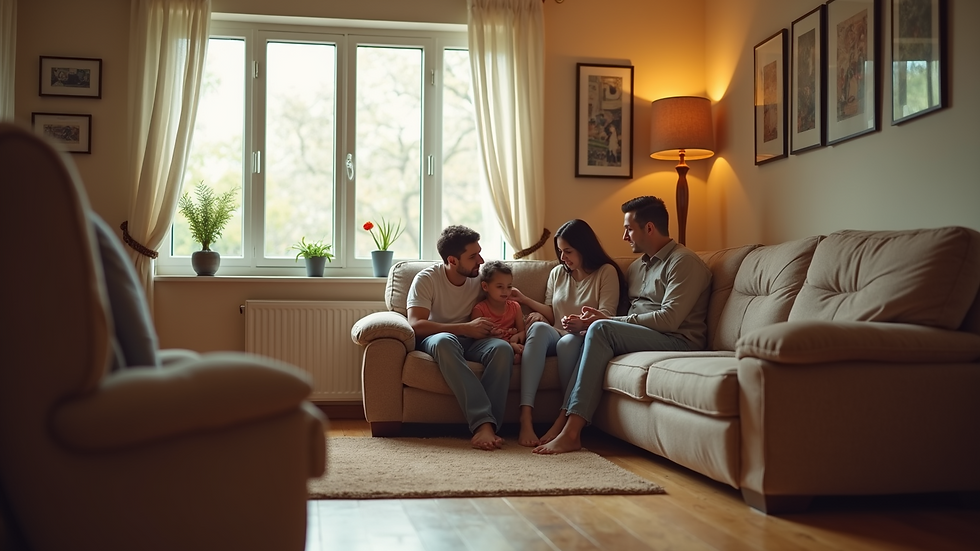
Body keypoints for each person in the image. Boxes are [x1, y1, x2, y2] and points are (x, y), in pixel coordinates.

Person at [532, 196, 712, 455]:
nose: (624, 236)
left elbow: (669, 319)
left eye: (628, 229)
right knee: (594, 331)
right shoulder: (638, 267)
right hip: (644, 335)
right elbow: (627, 313)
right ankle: (564, 420)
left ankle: (571, 432)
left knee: (600, 329)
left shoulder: (683, 262)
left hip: (678, 340)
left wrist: (606, 320)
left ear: (649, 228)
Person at [509, 219, 627, 447]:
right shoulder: (557, 273)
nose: (563, 257)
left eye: (568, 251)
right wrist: (525, 300)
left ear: (584, 248)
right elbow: (552, 312)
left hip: (584, 336)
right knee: (538, 328)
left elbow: (606, 316)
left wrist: (582, 324)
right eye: (560, 251)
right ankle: (526, 417)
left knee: (567, 343)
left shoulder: (606, 272)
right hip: (557, 331)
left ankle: (563, 419)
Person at [406, 225, 514, 451]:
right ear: (452, 260)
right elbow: (416, 324)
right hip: (438, 338)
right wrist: (464, 328)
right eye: (473, 257)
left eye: (479, 253)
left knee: (502, 349)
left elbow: (506, 298)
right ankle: (483, 423)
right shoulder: (426, 279)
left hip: (474, 340)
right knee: (445, 340)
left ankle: (489, 429)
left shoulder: (480, 278)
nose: (480, 261)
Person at [471, 260, 526, 363]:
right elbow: (476, 339)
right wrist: (490, 335)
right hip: (493, 347)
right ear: (485, 286)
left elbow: (522, 331)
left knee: (523, 353)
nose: (505, 291)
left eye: (509, 286)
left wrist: (516, 338)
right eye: (500, 286)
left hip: (512, 344)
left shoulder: (515, 307)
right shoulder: (480, 310)